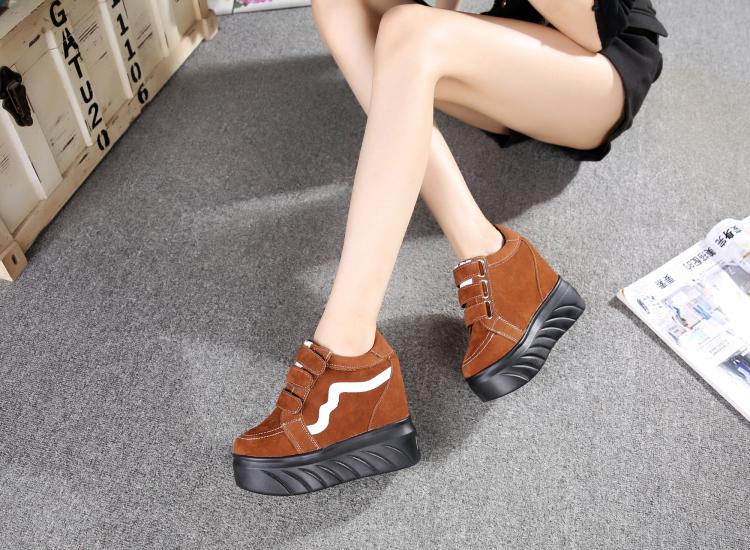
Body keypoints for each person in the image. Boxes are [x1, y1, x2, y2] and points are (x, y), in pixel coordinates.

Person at [232, 0, 669, 495]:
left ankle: (347, 352)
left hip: (600, 72)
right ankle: (494, 255)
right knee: (343, 5)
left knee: (413, 33)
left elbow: (592, 29)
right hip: (512, 49)